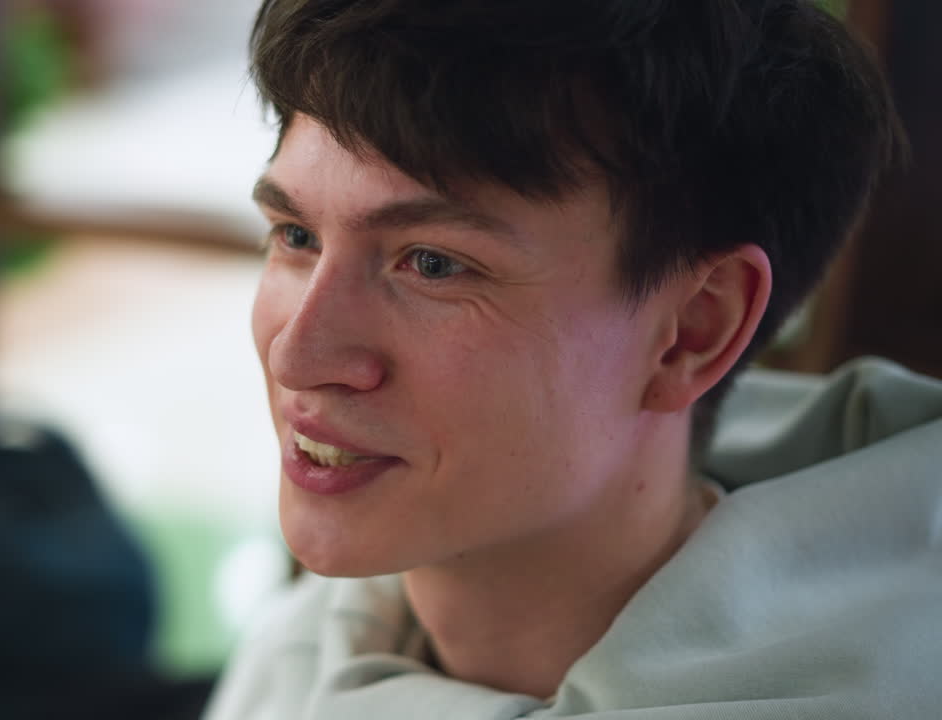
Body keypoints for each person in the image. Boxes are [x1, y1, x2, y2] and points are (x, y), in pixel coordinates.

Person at [203, 1, 942, 718]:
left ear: (694, 329)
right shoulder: (305, 648)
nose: (299, 354)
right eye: (296, 235)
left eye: (432, 263)